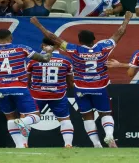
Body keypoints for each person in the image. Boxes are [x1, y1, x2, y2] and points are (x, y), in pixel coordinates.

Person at [30, 12, 133, 148]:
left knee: (87, 116)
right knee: (105, 113)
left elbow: (52, 38)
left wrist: (38, 25)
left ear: (79, 41)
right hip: (99, 87)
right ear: (94, 39)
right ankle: (109, 135)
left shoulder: (74, 49)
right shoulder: (104, 47)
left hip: (81, 88)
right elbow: (119, 33)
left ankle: (96, 144)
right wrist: (126, 19)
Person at [27, 37, 75, 148]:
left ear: (42, 45)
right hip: (58, 94)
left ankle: (23, 144)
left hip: (37, 94)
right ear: (58, 46)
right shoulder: (66, 60)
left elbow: (27, 81)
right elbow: (70, 83)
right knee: (64, 120)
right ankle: (68, 144)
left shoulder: (33, 61)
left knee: (27, 117)